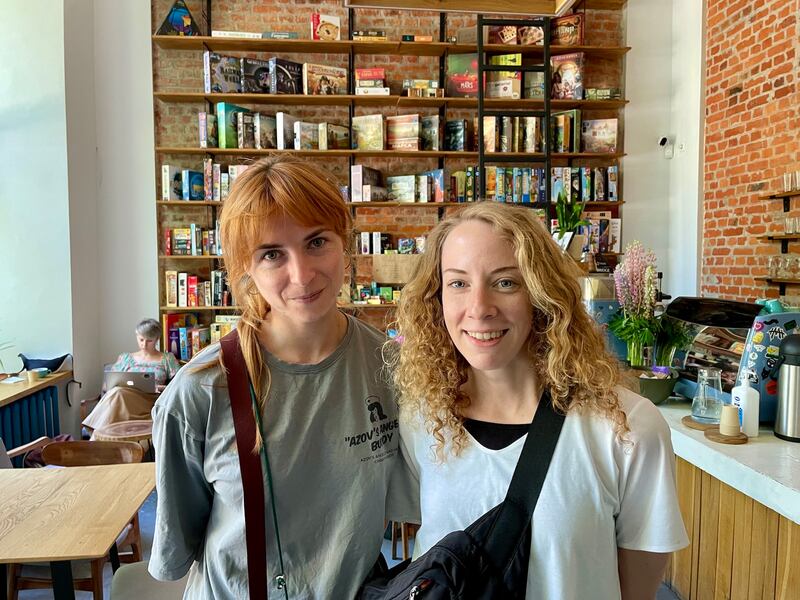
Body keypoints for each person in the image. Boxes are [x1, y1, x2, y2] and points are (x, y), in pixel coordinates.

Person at [388, 203, 688, 599]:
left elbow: (636, 588)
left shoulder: (626, 427)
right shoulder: (422, 418)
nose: (479, 308)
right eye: (458, 283)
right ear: (436, 297)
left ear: (541, 294)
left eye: (506, 282)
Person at [148, 155, 414, 599]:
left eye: (316, 242)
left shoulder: (391, 367)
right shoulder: (200, 392)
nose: (302, 274)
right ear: (246, 267)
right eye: (272, 254)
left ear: (344, 243)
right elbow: (181, 547)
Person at [82, 318, 179, 433]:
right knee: (117, 392)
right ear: (137, 336)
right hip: (124, 399)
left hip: (150, 401)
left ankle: (95, 433)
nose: (144, 344)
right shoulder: (126, 358)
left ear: (157, 339)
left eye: (149, 341)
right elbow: (105, 387)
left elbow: (179, 385)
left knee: (118, 393)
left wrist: (160, 388)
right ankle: (103, 439)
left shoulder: (167, 358)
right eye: (141, 340)